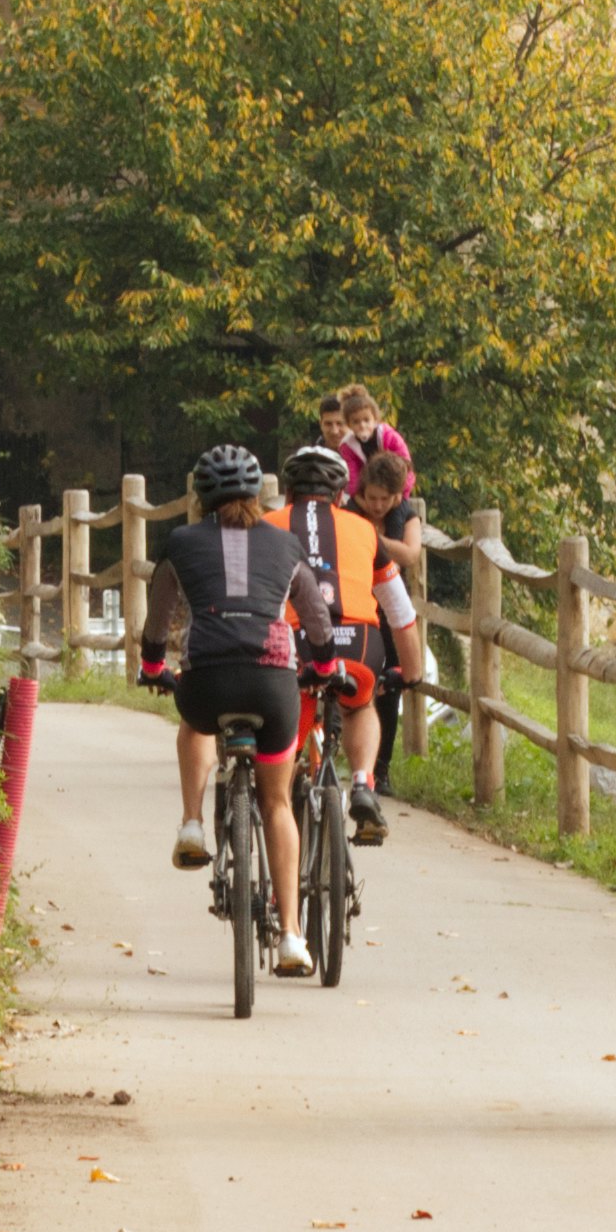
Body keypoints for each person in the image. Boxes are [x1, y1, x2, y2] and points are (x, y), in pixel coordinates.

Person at [140, 441, 336, 976]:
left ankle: (191, 824)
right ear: (256, 494)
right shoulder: (287, 544)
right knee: (277, 804)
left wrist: (153, 667)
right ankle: (293, 936)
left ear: (200, 497)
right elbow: (316, 621)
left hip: (206, 683)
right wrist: (322, 667)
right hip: (273, 688)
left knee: (194, 725)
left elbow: (158, 621)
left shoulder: (180, 543)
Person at [283, 436, 416, 842]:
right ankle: (362, 783)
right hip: (358, 641)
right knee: (359, 705)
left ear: (288, 492)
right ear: (342, 494)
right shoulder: (365, 532)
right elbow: (401, 614)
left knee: (286, 743)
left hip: (298, 644)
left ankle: (280, 815)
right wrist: (408, 675)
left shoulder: (268, 526)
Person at [324, 390, 431, 800]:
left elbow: (411, 555)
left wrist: (369, 540)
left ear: (397, 496)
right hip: (352, 603)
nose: (378, 505)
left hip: (388, 605)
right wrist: (385, 544)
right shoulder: (350, 508)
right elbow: (393, 550)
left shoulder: (404, 512)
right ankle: (337, 758)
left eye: (385, 501)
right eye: (371, 499)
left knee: (388, 687)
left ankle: (379, 769)